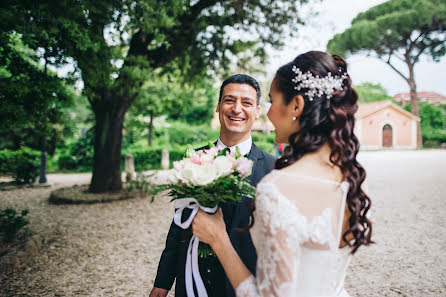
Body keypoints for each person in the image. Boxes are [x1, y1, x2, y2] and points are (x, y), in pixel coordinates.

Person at [192, 51, 373, 297]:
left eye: (272, 101)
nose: (269, 113)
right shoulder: (348, 179)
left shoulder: (277, 187)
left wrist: (218, 240)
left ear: (296, 105)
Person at [150, 74, 276, 297]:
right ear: (218, 107)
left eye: (246, 103)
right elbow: (180, 224)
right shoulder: (194, 160)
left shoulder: (274, 168)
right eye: (229, 100)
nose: (237, 109)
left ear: (257, 112)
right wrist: (162, 282)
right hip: (194, 283)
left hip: (244, 285)